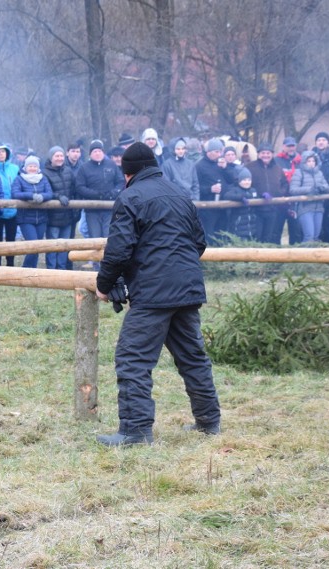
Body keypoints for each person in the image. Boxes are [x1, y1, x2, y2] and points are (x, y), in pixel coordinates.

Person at [94, 142, 220, 446]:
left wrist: (103, 283)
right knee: (193, 357)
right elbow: (199, 243)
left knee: (132, 358)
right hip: (187, 288)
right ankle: (209, 421)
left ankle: (135, 431)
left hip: (153, 294)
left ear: (127, 173)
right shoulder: (180, 194)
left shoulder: (130, 197)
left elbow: (119, 250)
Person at [75, 139, 123, 251]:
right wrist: (96, 195)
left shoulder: (111, 165)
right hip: (92, 209)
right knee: (94, 237)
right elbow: (80, 187)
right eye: (95, 151)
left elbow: (120, 182)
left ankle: (108, 263)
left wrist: (113, 193)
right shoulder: (84, 168)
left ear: (103, 152)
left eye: (100, 151)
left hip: (109, 208)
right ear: (90, 154)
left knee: (108, 236)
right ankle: (96, 264)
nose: (97, 153)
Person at [11, 155, 53, 268]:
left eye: (35, 166)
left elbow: (49, 193)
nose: (33, 168)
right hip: (26, 218)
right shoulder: (19, 179)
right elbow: (15, 193)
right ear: (25, 167)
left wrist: (42, 197)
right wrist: (31, 196)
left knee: (37, 247)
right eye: (30, 166)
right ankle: (26, 269)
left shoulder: (43, 179)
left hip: (41, 218)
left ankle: (32, 269)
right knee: (33, 245)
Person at [42, 146, 77, 270]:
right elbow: (46, 190)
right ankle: (52, 269)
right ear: (51, 157)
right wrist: (58, 196)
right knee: (53, 245)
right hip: (53, 216)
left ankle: (61, 269)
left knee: (64, 245)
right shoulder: (45, 172)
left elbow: (74, 188)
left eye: (61, 155)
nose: (59, 158)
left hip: (67, 214)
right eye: (56, 156)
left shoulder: (68, 171)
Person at [246, 143, 288, 244]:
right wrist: (256, 195)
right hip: (256, 209)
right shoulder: (249, 167)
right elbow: (243, 184)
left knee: (270, 236)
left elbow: (285, 184)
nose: (265, 155)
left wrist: (278, 193)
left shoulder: (278, 169)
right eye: (263, 153)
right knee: (257, 236)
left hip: (273, 208)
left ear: (272, 154)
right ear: (258, 154)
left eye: (268, 153)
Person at [289, 150, 329, 242]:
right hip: (305, 208)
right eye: (309, 161)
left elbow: (327, 187)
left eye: (313, 161)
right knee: (309, 236)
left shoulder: (319, 173)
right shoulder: (299, 173)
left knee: (316, 236)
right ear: (304, 162)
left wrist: (322, 188)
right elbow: (292, 190)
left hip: (319, 208)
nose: (311, 163)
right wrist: (309, 190)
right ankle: (304, 255)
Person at [194, 137, 231, 240]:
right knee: (209, 236)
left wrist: (226, 168)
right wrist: (210, 189)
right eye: (216, 152)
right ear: (209, 152)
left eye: (220, 152)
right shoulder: (199, 166)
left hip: (223, 206)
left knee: (222, 235)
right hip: (207, 209)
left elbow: (233, 181)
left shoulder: (222, 164)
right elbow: (195, 187)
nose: (219, 154)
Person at [0, 143, 19, 267]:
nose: (1, 154)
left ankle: (10, 265)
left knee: (11, 240)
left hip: (13, 210)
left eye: (3, 151)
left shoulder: (15, 168)